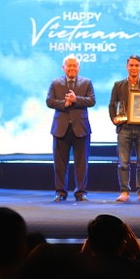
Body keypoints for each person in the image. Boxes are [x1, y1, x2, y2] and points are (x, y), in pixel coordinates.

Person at [108, 55, 140, 202]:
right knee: (123, 163)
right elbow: (112, 105)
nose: (134, 68)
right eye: (131, 65)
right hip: (124, 128)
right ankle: (124, 192)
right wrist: (114, 119)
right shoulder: (118, 85)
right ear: (126, 67)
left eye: (137, 65)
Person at [46, 55, 96, 202]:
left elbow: (92, 101)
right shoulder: (55, 83)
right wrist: (64, 104)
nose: (72, 68)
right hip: (60, 129)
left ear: (78, 68)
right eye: (69, 66)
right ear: (64, 68)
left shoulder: (87, 82)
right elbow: (49, 101)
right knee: (60, 164)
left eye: (75, 66)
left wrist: (76, 100)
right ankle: (60, 193)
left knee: (81, 163)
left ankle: (81, 193)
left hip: (81, 128)